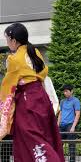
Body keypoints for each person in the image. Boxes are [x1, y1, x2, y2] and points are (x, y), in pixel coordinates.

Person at [0, 23, 64, 161]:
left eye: (7, 39)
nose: (7, 43)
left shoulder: (13, 59)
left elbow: (8, 86)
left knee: (30, 137)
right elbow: (43, 72)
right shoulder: (34, 52)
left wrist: (3, 113)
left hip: (26, 100)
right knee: (44, 135)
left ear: (14, 40)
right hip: (41, 97)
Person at [57, 84, 81, 162]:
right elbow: (60, 113)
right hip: (62, 125)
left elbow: (77, 114)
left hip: (70, 125)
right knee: (58, 144)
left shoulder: (75, 100)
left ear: (71, 91)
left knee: (71, 145)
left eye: (66, 91)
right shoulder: (62, 101)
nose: (65, 93)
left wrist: (73, 127)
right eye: (64, 91)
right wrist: (57, 124)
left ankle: (72, 161)